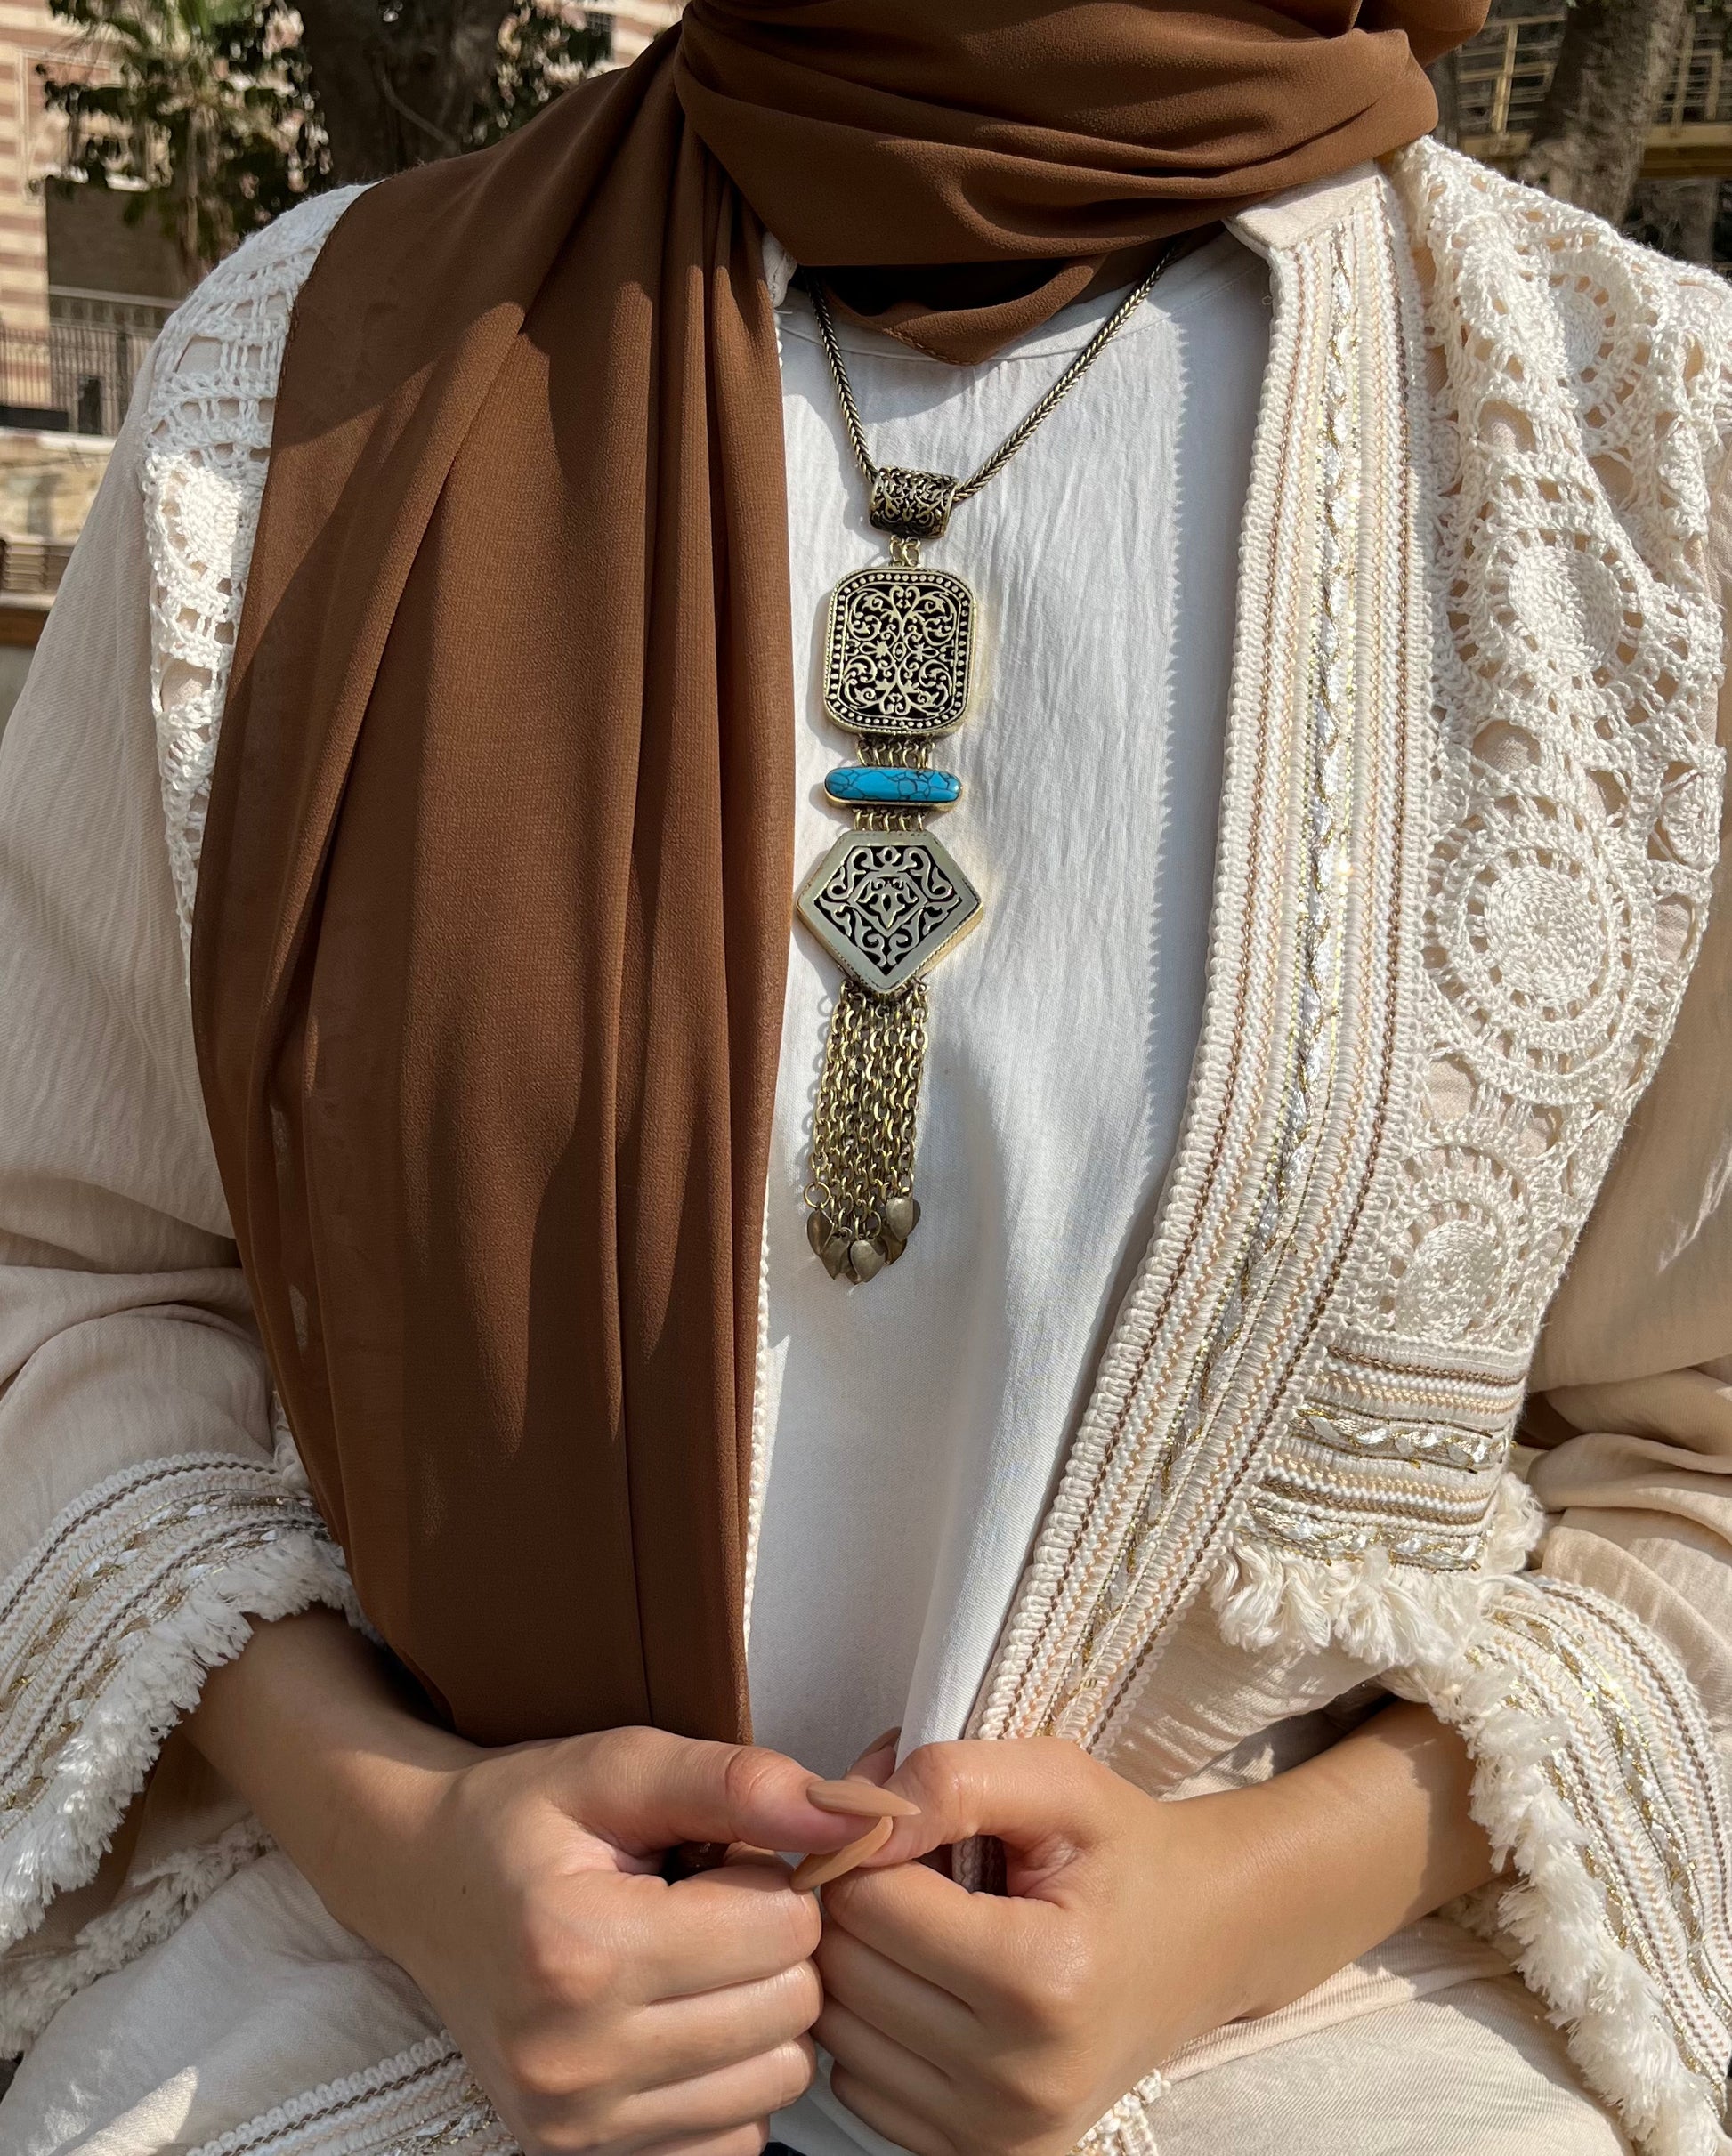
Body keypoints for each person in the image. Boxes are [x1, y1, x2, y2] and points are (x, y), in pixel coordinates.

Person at [1, 4, 1730, 2153]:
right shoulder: (308, 381)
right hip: (363, 2018)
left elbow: (1697, 1449)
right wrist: (405, 1838)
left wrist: (1247, 1897)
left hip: (1326, 2052)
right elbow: (60, 1269)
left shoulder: (1636, 450)